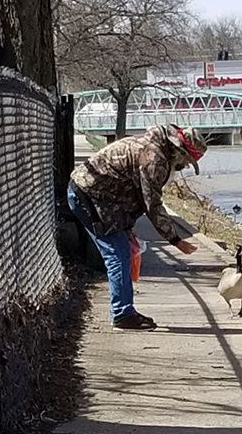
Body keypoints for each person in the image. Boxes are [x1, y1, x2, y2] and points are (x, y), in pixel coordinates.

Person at [68, 124, 207, 330]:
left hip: (98, 197)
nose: (185, 166)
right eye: (187, 161)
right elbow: (152, 204)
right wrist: (175, 240)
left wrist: (126, 226)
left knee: (120, 251)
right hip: (90, 197)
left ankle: (125, 311)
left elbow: (129, 191)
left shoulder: (150, 147)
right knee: (117, 254)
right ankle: (123, 314)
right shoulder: (154, 160)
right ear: (179, 151)